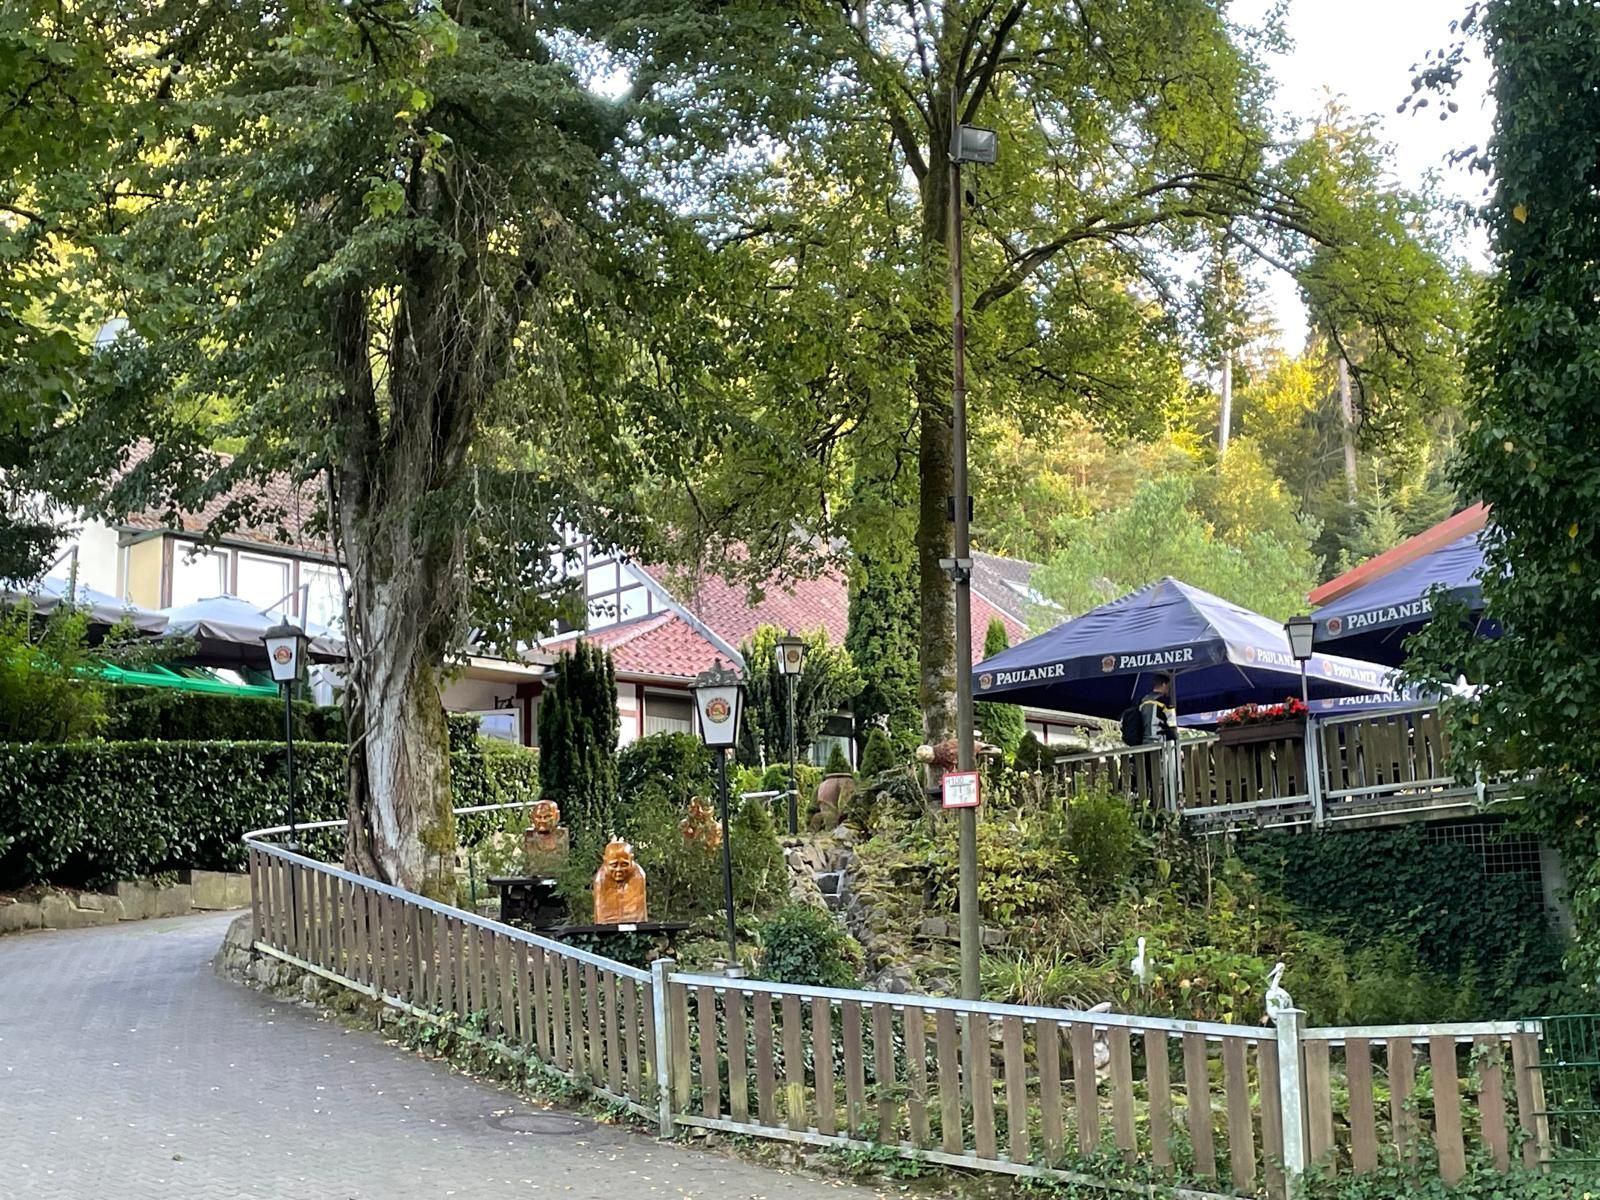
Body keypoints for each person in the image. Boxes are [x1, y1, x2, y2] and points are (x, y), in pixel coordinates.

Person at [1140, 674, 1177, 744]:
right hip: (1160, 742)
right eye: (1168, 686)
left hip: (1143, 743)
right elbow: (1172, 725)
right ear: (1164, 685)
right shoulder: (1165, 702)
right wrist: (1175, 742)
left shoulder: (1143, 701)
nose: (1168, 689)